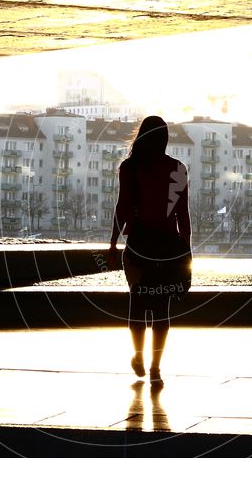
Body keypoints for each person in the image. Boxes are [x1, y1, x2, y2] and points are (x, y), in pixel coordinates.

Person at [108, 116, 191, 383]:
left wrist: (112, 244)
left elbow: (122, 207)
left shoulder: (130, 167)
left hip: (139, 245)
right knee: (162, 310)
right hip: (168, 247)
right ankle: (156, 365)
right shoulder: (177, 168)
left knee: (137, 305)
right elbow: (182, 214)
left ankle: (138, 355)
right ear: (165, 138)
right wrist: (186, 251)